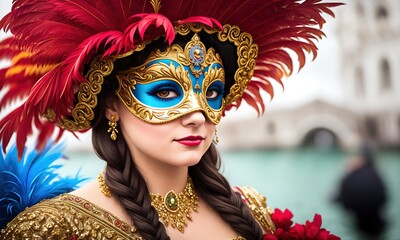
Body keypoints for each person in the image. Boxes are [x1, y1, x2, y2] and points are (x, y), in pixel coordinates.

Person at [0, 0, 342, 239]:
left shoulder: (252, 209)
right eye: (165, 91)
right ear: (110, 107)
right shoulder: (50, 229)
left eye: (211, 93)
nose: (197, 116)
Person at [334, 143, 387, 238]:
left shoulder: (349, 177)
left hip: (359, 220)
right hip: (377, 221)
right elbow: (384, 199)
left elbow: (339, 200)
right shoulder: (376, 175)